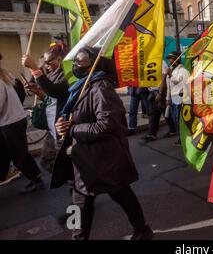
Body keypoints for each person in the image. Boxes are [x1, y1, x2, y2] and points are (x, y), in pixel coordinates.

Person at [53, 47, 152, 240]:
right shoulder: (82, 86)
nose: (75, 65)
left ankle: (142, 230)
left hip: (105, 160)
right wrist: (63, 124)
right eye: (75, 61)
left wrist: (72, 129)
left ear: (94, 64)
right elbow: (77, 116)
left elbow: (106, 125)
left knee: (121, 194)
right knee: (80, 203)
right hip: (85, 160)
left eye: (80, 61)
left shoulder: (101, 87)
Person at [22, 42, 70, 173]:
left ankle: (76, 181)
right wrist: (38, 91)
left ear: (59, 59)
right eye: (44, 63)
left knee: (66, 160)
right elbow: (51, 98)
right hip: (52, 126)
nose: (45, 66)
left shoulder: (69, 73)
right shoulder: (52, 74)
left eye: (48, 62)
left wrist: (34, 69)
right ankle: (73, 178)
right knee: (47, 160)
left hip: (62, 126)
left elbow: (55, 91)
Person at [0, 54, 44, 193]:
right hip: (13, 119)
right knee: (5, 153)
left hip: (10, 122)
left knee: (18, 154)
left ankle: (36, 179)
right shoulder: (7, 75)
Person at [166, 51, 190, 146]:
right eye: (169, 59)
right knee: (175, 119)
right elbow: (169, 86)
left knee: (180, 120)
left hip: (181, 99)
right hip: (173, 98)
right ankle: (181, 137)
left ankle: (183, 138)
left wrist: (170, 75)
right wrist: (168, 98)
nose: (170, 61)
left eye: (171, 58)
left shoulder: (183, 71)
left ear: (177, 58)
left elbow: (178, 81)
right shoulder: (172, 70)